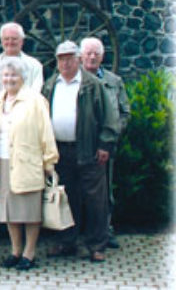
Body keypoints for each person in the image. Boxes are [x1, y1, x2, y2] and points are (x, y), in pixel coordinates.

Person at [42, 41, 119, 263]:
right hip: (60, 152)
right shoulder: (50, 85)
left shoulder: (92, 85)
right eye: (61, 58)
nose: (65, 63)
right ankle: (67, 242)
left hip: (89, 151)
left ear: (78, 60)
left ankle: (96, 245)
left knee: (96, 201)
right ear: (57, 61)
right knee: (66, 200)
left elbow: (110, 118)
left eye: (69, 58)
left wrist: (105, 145)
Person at [0, 57, 59, 271]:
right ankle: (15, 251)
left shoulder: (35, 100)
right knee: (9, 211)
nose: (9, 79)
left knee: (29, 210)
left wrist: (49, 160)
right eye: (6, 75)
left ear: (22, 78)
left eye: (13, 75)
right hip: (3, 160)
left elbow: (46, 131)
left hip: (28, 161)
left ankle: (29, 252)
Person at [80, 37, 130, 249]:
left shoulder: (114, 81)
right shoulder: (73, 80)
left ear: (102, 56)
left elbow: (124, 112)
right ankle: (75, 234)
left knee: (105, 192)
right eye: (89, 53)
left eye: (96, 54)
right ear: (81, 56)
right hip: (79, 145)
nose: (92, 57)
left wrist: (110, 138)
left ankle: (105, 231)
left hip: (105, 147)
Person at [0, 22, 44, 94]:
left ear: (22, 41)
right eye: (6, 39)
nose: (10, 42)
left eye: (14, 39)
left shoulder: (35, 65)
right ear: (1, 41)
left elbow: (35, 93)